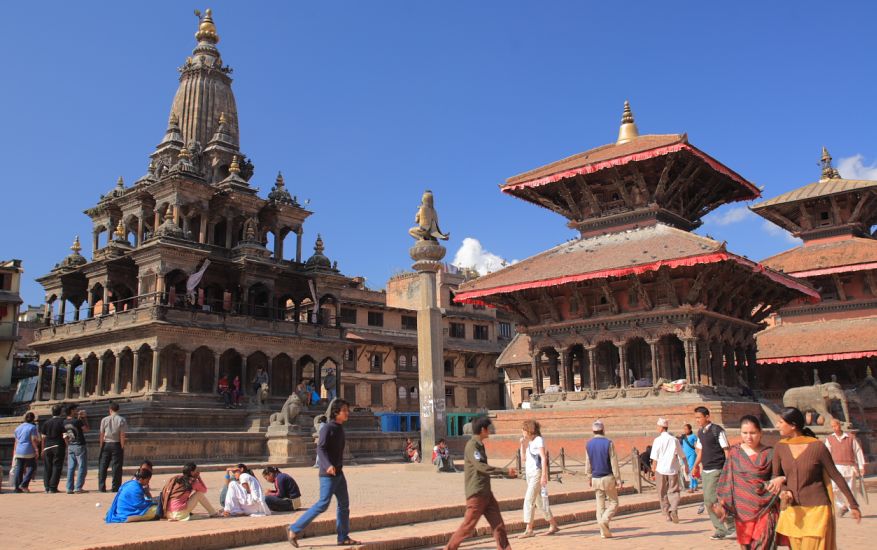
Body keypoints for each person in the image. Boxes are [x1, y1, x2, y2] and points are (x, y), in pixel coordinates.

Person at [767, 407, 861, 549]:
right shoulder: (780, 447)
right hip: (793, 512)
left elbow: (835, 475)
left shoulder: (817, 447)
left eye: (781, 422)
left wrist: (853, 504)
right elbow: (776, 476)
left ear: (792, 425)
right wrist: (784, 489)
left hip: (817, 510)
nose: (777, 425)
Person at [288, 399, 360, 547]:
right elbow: (320, 448)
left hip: (339, 474)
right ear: (336, 412)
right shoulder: (327, 428)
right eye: (344, 410)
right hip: (328, 474)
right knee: (322, 504)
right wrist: (327, 466)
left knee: (344, 505)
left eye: (347, 409)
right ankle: (294, 528)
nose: (347, 413)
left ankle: (343, 537)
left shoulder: (340, 428)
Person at [445, 416, 516, 550]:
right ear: (483, 430)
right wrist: (505, 471)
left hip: (486, 493)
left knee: (498, 525)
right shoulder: (472, 446)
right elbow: (481, 467)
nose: (490, 431)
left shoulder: (479, 445)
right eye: (488, 428)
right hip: (476, 493)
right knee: (467, 527)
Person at [715, 415, 783, 550]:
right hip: (742, 511)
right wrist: (722, 503)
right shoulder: (735, 453)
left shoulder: (770, 453)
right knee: (746, 546)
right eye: (744, 433)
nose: (748, 437)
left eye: (753, 433)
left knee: (764, 544)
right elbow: (727, 479)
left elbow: (778, 475)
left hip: (766, 507)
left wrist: (782, 479)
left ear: (760, 433)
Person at [692, 406, 734, 540]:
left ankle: (726, 528)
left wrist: (728, 467)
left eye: (699, 417)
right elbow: (701, 451)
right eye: (696, 418)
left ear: (707, 417)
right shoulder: (701, 433)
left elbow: (726, 450)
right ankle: (725, 528)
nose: (697, 420)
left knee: (711, 500)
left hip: (717, 468)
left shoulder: (717, 430)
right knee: (711, 501)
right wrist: (695, 466)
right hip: (706, 470)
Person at [519, 419, 559, 538]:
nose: (522, 432)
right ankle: (553, 524)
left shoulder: (538, 440)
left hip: (536, 474)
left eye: (523, 429)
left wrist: (544, 475)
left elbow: (543, 458)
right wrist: (522, 444)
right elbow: (524, 459)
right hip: (529, 475)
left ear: (529, 430)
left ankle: (529, 529)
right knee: (539, 502)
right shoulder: (531, 442)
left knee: (528, 500)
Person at [584, 419, 621, 538]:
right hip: (607, 477)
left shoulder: (588, 444)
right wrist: (618, 478)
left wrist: (588, 476)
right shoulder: (608, 443)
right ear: (603, 430)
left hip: (595, 478)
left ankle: (603, 532)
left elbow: (588, 462)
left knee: (600, 504)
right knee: (614, 502)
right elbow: (613, 462)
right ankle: (604, 520)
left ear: (593, 431)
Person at [824, 418, 865, 517]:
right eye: (832, 426)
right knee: (834, 488)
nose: (835, 428)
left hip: (849, 467)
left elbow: (858, 451)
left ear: (839, 425)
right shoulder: (830, 439)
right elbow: (826, 453)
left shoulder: (850, 438)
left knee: (851, 489)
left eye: (836, 425)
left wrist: (861, 466)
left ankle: (853, 508)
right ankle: (842, 506)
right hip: (836, 467)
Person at [650, 417, 688, 523]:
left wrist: (653, 470)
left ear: (661, 428)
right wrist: (686, 466)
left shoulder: (657, 440)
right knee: (674, 491)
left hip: (660, 469)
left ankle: (667, 513)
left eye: (658, 426)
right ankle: (674, 509)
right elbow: (682, 455)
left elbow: (654, 457)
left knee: (662, 492)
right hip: (672, 469)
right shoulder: (674, 440)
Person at [98, 402, 128, 493]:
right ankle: (115, 487)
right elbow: (122, 434)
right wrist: (122, 446)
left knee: (103, 466)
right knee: (116, 467)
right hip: (116, 443)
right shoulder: (121, 420)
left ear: (110, 410)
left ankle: (101, 486)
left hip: (106, 443)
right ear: (118, 410)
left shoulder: (104, 419)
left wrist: (101, 445)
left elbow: (102, 434)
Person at [11, 412, 41, 493]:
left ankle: (17, 488)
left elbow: (16, 441)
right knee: (32, 466)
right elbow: (33, 440)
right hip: (28, 450)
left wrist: (15, 451)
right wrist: (36, 450)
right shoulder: (32, 427)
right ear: (33, 419)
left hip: (19, 449)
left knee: (19, 469)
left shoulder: (18, 428)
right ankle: (24, 484)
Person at [63, 404, 90, 494]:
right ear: (71, 411)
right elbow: (86, 429)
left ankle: (69, 487)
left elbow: (65, 435)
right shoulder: (77, 421)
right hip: (79, 444)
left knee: (71, 467)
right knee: (82, 466)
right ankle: (78, 487)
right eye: (75, 409)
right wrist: (84, 418)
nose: (76, 411)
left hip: (71, 444)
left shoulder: (64, 422)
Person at [40, 403, 66, 493]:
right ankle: (53, 487)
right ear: (61, 412)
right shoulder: (62, 421)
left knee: (47, 467)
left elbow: (43, 437)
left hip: (47, 446)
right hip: (58, 445)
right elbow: (65, 435)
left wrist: (42, 449)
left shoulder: (46, 423)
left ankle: (46, 486)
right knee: (57, 466)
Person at [679, 423, 699, 492]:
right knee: (687, 470)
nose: (685, 430)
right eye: (684, 429)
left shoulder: (693, 436)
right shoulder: (683, 437)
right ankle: (695, 485)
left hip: (692, 454)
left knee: (691, 470)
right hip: (685, 455)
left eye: (686, 429)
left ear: (690, 429)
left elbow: (697, 445)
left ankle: (691, 487)